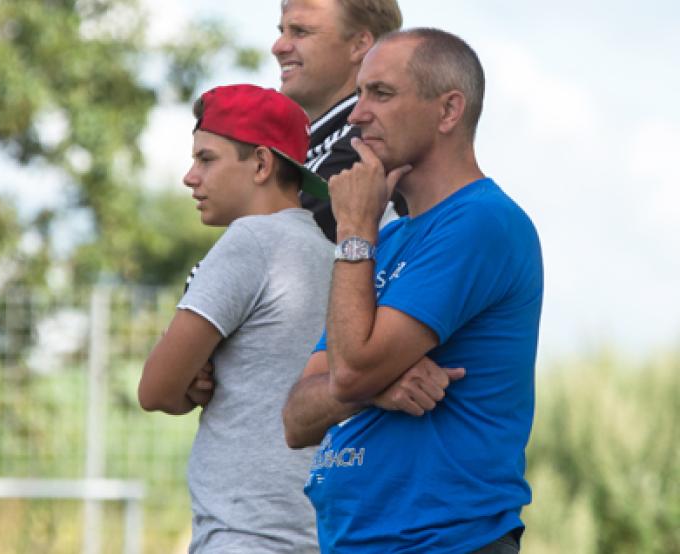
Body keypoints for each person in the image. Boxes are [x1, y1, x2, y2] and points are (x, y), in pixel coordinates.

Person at [291, 28, 544, 553]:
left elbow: (350, 369)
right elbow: (296, 416)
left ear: (449, 110)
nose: (357, 114)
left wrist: (354, 229)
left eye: (380, 93)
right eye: (359, 93)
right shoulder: (387, 237)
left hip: (444, 541)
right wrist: (373, 389)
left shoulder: (481, 222)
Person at [138, 84, 332, 553]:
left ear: (262, 165)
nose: (189, 176)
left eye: (207, 159)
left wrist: (187, 384)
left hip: (244, 532)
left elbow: (155, 390)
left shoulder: (250, 241)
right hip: (314, 530)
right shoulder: (330, 253)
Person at [272, 0, 405, 242]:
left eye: (300, 32)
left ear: (359, 45)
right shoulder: (324, 143)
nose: (278, 47)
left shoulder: (363, 150)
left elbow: (266, 251)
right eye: (282, 32)